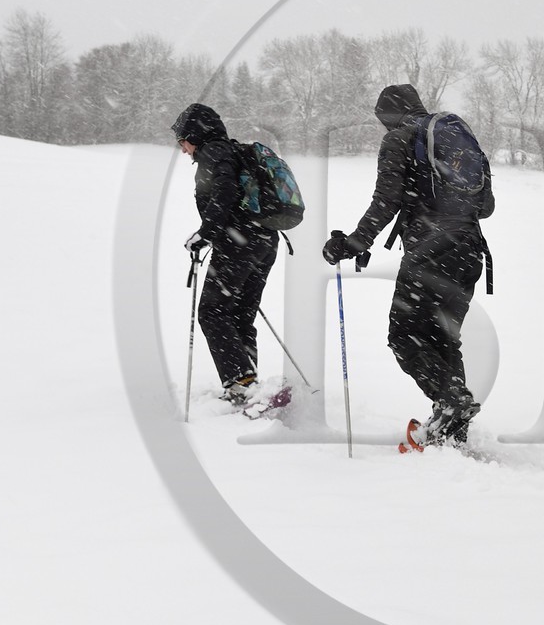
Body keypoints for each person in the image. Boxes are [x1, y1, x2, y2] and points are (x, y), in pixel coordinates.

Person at [322, 84, 494, 445]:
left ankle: (452, 404)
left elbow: (386, 200)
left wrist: (355, 242)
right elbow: (486, 206)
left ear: (388, 115)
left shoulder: (399, 139)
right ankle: (453, 431)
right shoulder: (455, 138)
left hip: (431, 253)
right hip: (470, 251)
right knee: (444, 339)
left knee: (404, 337)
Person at [172, 102, 280, 406]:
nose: (184, 151)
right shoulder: (234, 152)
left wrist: (204, 234)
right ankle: (250, 382)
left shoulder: (213, 153)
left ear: (194, 135)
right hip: (265, 241)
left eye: (183, 142)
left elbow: (225, 193)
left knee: (213, 311)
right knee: (240, 314)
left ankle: (241, 383)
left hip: (239, 244)